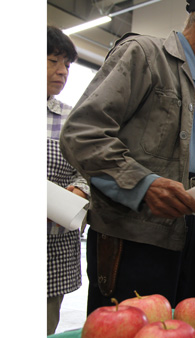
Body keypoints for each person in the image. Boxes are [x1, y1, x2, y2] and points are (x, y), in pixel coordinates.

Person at [60, 0, 195, 314]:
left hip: (192, 243)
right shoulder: (143, 55)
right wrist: (143, 185)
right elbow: (81, 134)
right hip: (134, 240)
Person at [46, 26, 90, 335]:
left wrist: (81, 189)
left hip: (53, 243)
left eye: (67, 65)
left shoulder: (70, 119)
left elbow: (87, 168)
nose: (62, 72)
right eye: (52, 61)